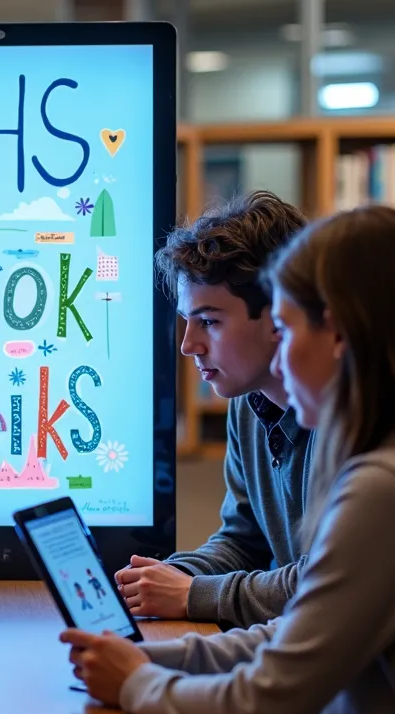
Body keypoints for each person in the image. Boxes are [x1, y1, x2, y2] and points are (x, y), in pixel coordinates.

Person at [62, 205, 395, 714]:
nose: (281, 350)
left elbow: (262, 707)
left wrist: (134, 684)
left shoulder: (392, 487)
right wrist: (155, 659)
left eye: (288, 328)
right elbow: (293, 635)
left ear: (340, 334)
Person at [116, 190, 314, 629]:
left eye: (209, 322)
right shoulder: (248, 403)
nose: (189, 346)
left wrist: (191, 594)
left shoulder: (346, 417)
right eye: (188, 322)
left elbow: (328, 584)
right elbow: (244, 542)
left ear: (279, 315)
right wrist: (169, 576)